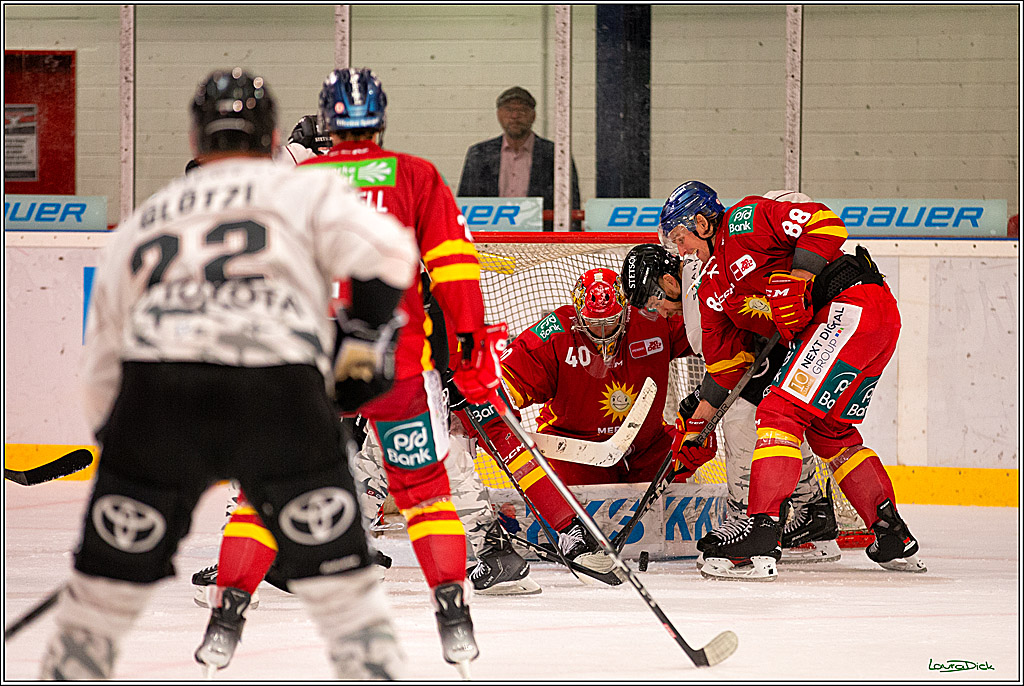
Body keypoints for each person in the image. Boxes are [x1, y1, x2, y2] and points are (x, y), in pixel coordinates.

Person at [38, 67, 419, 680]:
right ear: (273, 140)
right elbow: (392, 254)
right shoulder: (305, 192)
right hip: (275, 391)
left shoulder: (148, 219)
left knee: (101, 594)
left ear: (194, 141)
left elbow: (104, 359)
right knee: (345, 589)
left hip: (161, 397)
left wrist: (128, 456)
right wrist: (360, 348)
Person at [298, 67, 507, 675]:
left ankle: (251, 580)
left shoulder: (298, 181)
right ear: (382, 118)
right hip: (397, 358)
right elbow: (456, 273)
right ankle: (462, 579)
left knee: (285, 468)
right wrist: (470, 360)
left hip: (313, 361)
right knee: (427, 483)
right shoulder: (413, 174)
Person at [654, 180, 926, 581]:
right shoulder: (711, 288)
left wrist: (799, 276)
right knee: (831, 433)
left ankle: (762, 533)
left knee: (778, 411)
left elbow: (825, 223)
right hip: (862, 325)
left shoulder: (745, 219)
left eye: (682, 238)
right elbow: (727, 365)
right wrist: (694, 427)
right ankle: (891, 534)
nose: (681, 251)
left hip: (852, 305)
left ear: (702, 222)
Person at [459, 266, 717, 584]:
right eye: (595, 323)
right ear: (579, 315)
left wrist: (704, 402)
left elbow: (715, 334)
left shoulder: (652, 318)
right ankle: (570, 533)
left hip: (645, 446)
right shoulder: (553, 332)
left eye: (611, 321)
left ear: (625, 309)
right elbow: (499, 389)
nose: (604, 330)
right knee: (543, 476)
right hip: (576, 450)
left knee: (701, 440)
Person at [457, 86, 581, 230]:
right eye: (509, 109)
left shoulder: (556, 154)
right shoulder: (479, 154)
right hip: (488, 240)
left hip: (541, 243)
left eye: (522, 110)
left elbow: (571, 206)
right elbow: (464, 204)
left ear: (533, 115)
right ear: (499, 114)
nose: (515, 116)